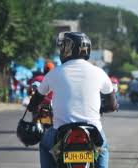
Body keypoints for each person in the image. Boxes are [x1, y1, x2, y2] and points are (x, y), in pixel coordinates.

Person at [27, 32, 118, 168]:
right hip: (93, 131)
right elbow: (112, 105)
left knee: (45, 146)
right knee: (103, 149)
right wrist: (101, 109)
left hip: (60, 132)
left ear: (68, 49)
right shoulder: (99, 72)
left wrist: (32, 107)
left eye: (63, 47)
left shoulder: (54, 73)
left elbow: (35, 102)